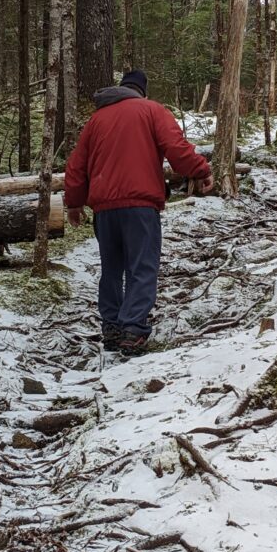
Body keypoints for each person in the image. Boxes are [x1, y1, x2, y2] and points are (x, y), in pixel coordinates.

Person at [64, 69, 213, 355]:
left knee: (111, 268)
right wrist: (201, 170)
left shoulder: (96, 120)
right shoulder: (152, 110)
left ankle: (112, 326)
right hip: (140, 206)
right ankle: (132, 329)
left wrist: (74, 203)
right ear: (143, 91)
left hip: (104, 209)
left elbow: (76, 166)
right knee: (142, 267)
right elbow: (177, 148)